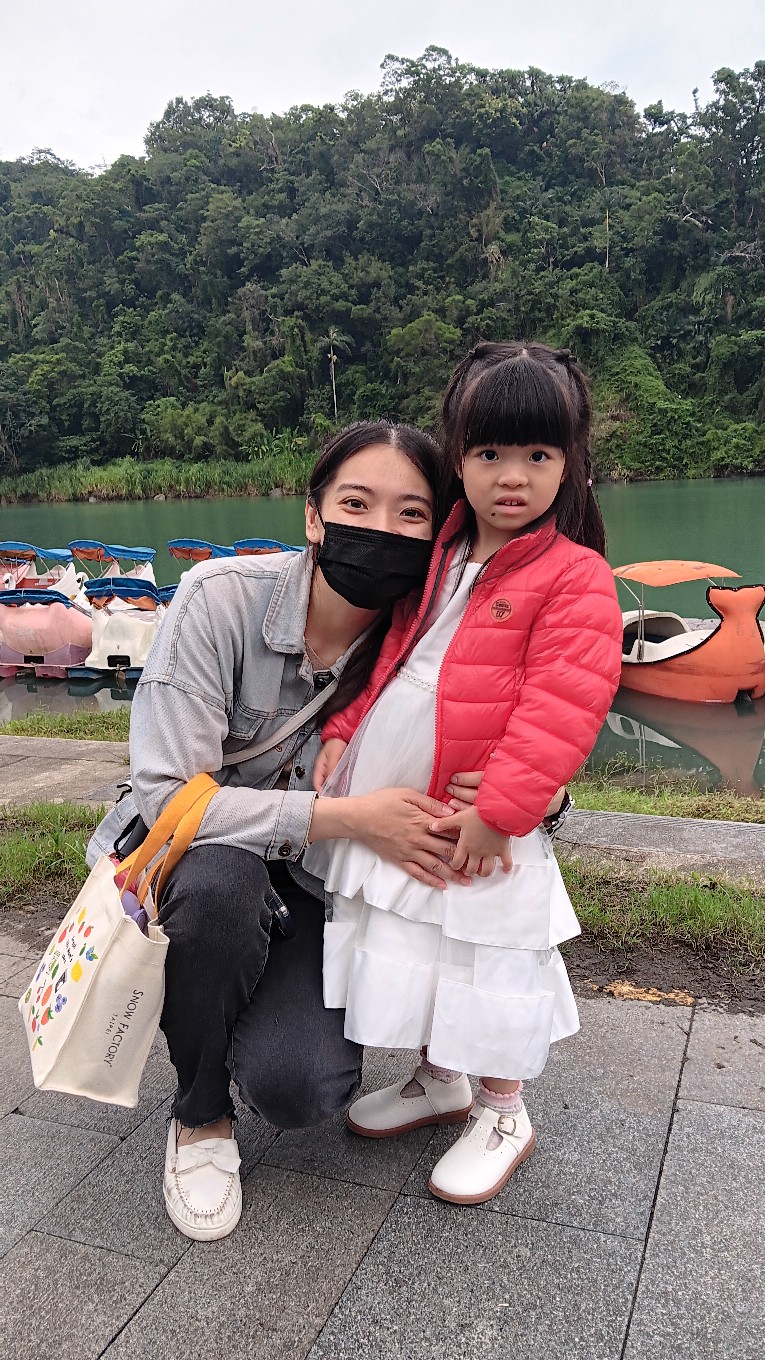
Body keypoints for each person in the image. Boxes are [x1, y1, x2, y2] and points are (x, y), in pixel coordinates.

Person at [88, 420, 486, 1242]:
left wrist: (533, 797)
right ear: (313, 515)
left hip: (311, 880)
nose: (381, 529)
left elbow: (533, 716)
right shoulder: (221, 599)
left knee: (299, 1088)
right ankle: (199, 1114)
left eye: (412, 514)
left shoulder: (428, 636)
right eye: (356, 504)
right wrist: (344, 817)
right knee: (220, 889)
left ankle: (223, 1003)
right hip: (197, 862)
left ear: (439, 532)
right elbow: (169, 797)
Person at [307, 342, 623, 1205]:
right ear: (457, 455)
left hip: (473, 809)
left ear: (571, 462)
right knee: (416, 938)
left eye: (537, 455)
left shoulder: (575, 576)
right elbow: (389, 659)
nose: (510, 477)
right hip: (399, 789)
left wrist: (505, 811)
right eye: (488, 453)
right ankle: (438, 1078)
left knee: (484, 952)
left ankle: (504, 1109)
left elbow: (562, 706)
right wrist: (343, 730)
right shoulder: (439, 550)